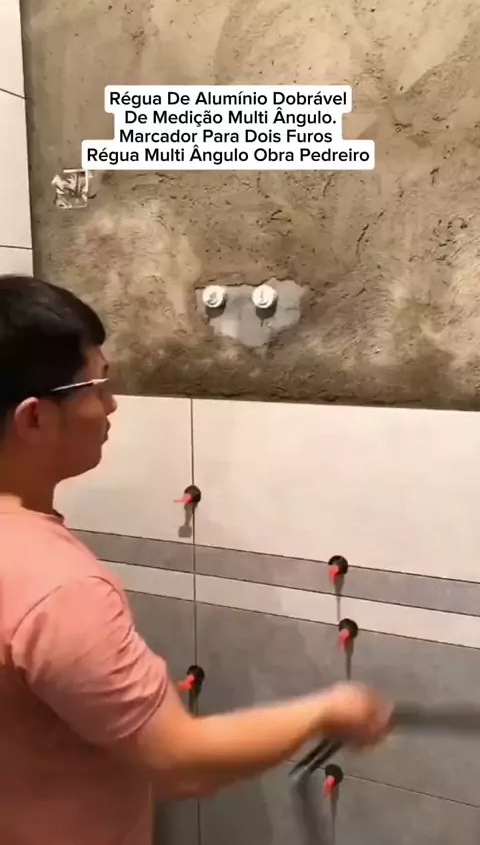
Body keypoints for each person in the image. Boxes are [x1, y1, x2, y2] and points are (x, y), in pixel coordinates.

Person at [0, 274, 392, 845]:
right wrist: (328, 711)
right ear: (34, 418)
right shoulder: (59, 589)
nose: (111, 405)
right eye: (97, 386)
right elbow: (179, 763)